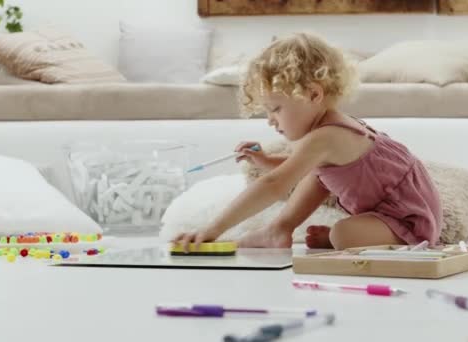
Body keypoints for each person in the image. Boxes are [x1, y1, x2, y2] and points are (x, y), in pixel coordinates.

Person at [174, 33, 442, 250]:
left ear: (314, 94)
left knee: (343, 233)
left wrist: (212, 229)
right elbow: (296, 166)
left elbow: (274, 184)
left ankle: (327, 238)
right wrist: (266, 161)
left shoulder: (327, 135)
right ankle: (279, 230)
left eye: (276, 109)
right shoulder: (326, 133)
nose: (270, 120)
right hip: (389, 213)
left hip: (408, 223)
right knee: (317, 175)